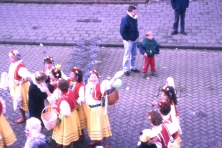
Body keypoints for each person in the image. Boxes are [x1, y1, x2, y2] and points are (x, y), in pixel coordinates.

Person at [85, 70, 123, 148]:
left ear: (98, 79)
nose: (93, 79)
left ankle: (105, 144)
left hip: (98, 109)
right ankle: (96, 140)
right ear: (89, 79)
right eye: (91, 77)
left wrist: (115, 77)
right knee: (94, 126)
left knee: (103, 126)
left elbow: (109, 84)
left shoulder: (100, 86)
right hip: (91, 110)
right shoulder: (87, 86)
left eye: (95, 77)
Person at [52, 79, 81, 148]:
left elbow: (65, 114)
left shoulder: (63, 99)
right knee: (70, 133)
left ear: (59, 88)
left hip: (67, 118)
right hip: (73, 114)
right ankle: (71, 146)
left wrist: (57, 108)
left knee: (66, 135)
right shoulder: (70, 91)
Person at [8, 50, 31, 123]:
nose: (10, 59)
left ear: (16, 58)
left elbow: (28, 77)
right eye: (10, 57)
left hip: (23, 88)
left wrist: (20, 82)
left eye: (11, 58)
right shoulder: (13, 64)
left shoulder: (20, 67)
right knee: (20, 103)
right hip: (17, 87)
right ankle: (23, 117)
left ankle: (33, 118)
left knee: (27, 103)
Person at [68, 67, 87, 142]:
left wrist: (75, 100)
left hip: (78, 106)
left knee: (79, 120)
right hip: (71, 105)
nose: (70, 75)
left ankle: (82, 135)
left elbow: (82, 98)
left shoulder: (81, 86)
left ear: (77, 77)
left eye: (72, 74)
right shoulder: (69, 81)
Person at [120, 5, 140, 76]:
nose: (136, 13)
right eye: (134, 11)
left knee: (134, 54)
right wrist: (126, 38)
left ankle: (133, 67)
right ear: (130, 12)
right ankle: (125, 69)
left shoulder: (134, 18)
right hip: (129, 41)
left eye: (135, 11)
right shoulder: (125, 19)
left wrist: (136, 35)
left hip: (134, 39)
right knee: (127, 55)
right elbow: (122, 31)